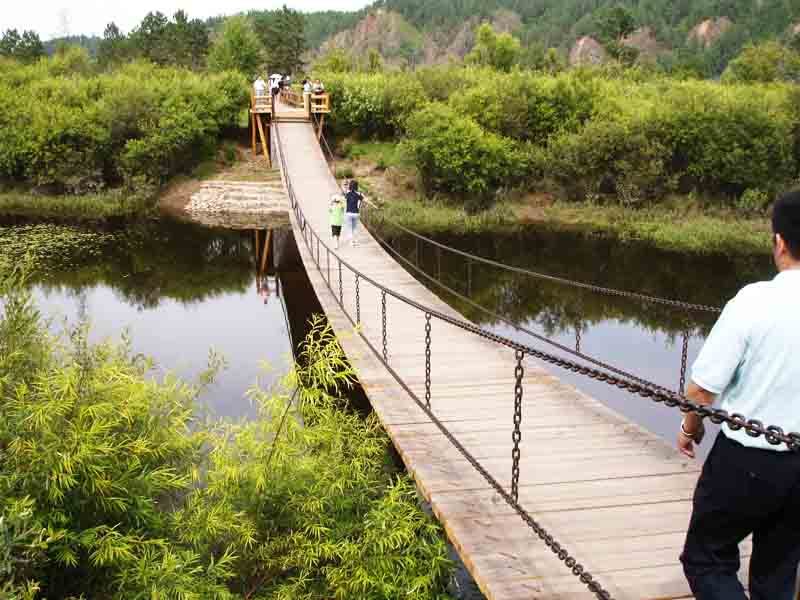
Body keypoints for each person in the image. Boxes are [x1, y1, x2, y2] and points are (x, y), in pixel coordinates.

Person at [678, 190, 800, 600]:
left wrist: (689, 428)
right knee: (778, 573)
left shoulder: (755, 300)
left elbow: (701, 389)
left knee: (706, 559)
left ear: (780, 242)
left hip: (748, 460)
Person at [344, 180, 363, 247]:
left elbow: (345, 196)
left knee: (350, 229)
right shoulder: (359, 194)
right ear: (356, 186)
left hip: (349, 213)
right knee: (355, 228)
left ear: (350, 186)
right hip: (356, 213)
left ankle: (351, 242)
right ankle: (355, 241)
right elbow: (362, 199)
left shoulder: (348, 194)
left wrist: (346, 187)